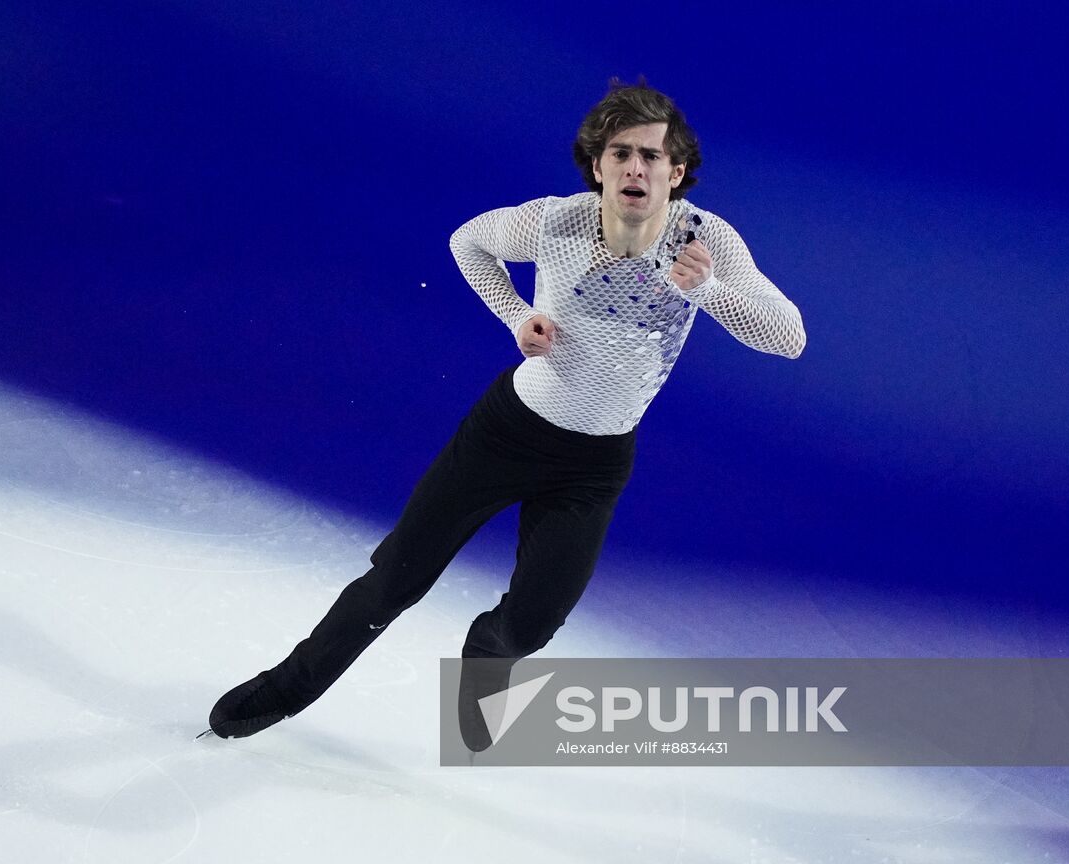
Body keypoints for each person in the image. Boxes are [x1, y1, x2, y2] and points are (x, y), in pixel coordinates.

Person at [203, 76, 805, 751]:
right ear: (599, 166)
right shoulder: (556, 222)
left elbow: (789, 337)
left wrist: (712, 291)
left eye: (652, 156)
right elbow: (469, 242)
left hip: (595, 466)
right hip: (507, 435)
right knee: (393, 581)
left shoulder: (707, 241)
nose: (636, 167)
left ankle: (485, 656)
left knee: (532, 629)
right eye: (621, 154)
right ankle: (289, 685)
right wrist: (517, 315)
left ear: (677, 171)